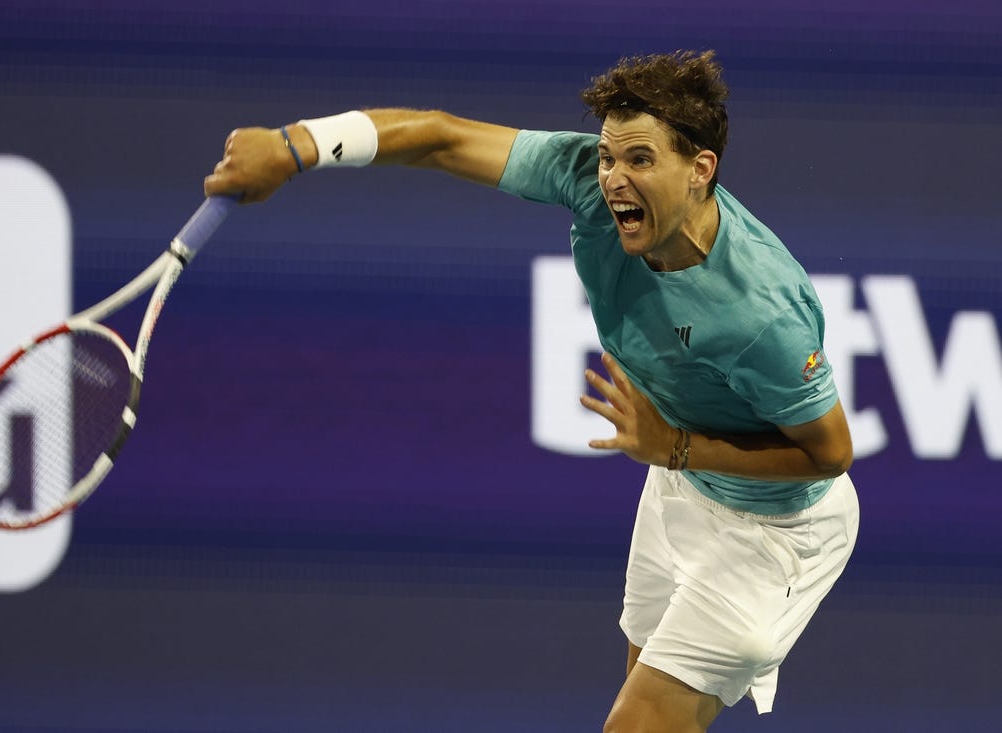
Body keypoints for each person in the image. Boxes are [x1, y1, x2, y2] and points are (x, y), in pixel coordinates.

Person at [204, 49, 860, 733]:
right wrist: (296, 144)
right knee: (642, 697)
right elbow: (439, 137)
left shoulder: (763, 314)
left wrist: (678, 447)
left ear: (700, 171)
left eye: (639, 160)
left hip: (780, 529)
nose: (612, 178)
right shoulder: (589, 182)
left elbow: (830, 454)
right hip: (684, 484)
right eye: (609, 157)